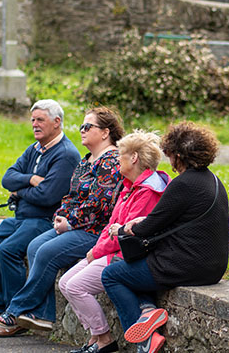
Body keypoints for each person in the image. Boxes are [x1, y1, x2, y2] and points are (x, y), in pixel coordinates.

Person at [0, 107, 124, 337]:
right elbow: (70, 195)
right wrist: (62, 215)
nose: (81, 130)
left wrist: (69, 222)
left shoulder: (111, 161)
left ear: (105, 133)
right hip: (73, 224)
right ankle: (41, 314)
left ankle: (16, 309)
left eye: (87, 126)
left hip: (95, 231)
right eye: (81, 126)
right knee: (34, 246)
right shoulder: (86, 160)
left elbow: (99, 204)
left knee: (46, 252)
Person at [102, 122, 229, 353]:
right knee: (132, 266)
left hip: (185, 266)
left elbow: (148, 228)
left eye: (171, 156)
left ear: (179, 156)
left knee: (112, 274)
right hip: (214, 267)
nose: (170, 163)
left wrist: (125, 228)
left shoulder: (184, 184)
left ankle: (145, 341)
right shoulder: (214, 182)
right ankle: (148, 311)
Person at [0, 99, 81, 336]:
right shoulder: (34, 149)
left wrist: (18, 191)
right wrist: (31, 180)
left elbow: (47, 196)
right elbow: (7, 177)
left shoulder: (65, 155)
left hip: (43, 220)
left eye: (40, 119)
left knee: (7, 250)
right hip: (22, 218)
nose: (34, 124)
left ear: (57, 122)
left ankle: (15, 318)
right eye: (32, 119)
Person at [59, 130, 170, 353]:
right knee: (64, 283)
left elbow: (126, 236)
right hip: (107, 251)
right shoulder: (128, 186)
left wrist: (98, 252)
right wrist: (96, 249)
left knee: (75, 286)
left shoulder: (148, 192)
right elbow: (111, 226)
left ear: (134, 158)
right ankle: (95, 338)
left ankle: (104, 340)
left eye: (120, 154)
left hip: (123, 255)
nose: (117, 158)